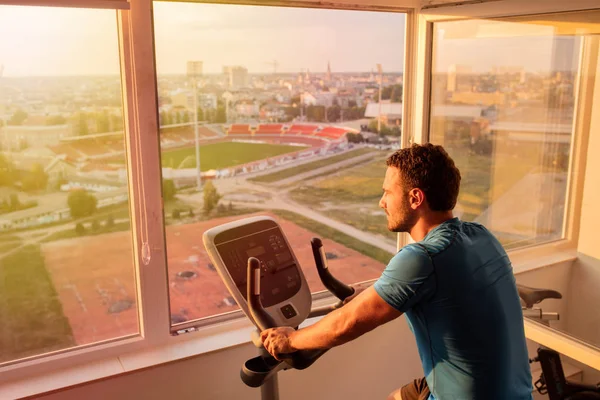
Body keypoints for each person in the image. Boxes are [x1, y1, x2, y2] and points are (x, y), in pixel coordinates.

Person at [261, 143, 533, 400]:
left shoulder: (423, 258)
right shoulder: (482, 236)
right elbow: (443, 283)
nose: (382, 202)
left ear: (415, 198)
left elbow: (348, 323)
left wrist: (291, 339)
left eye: (388, 192)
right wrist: (372, 292)